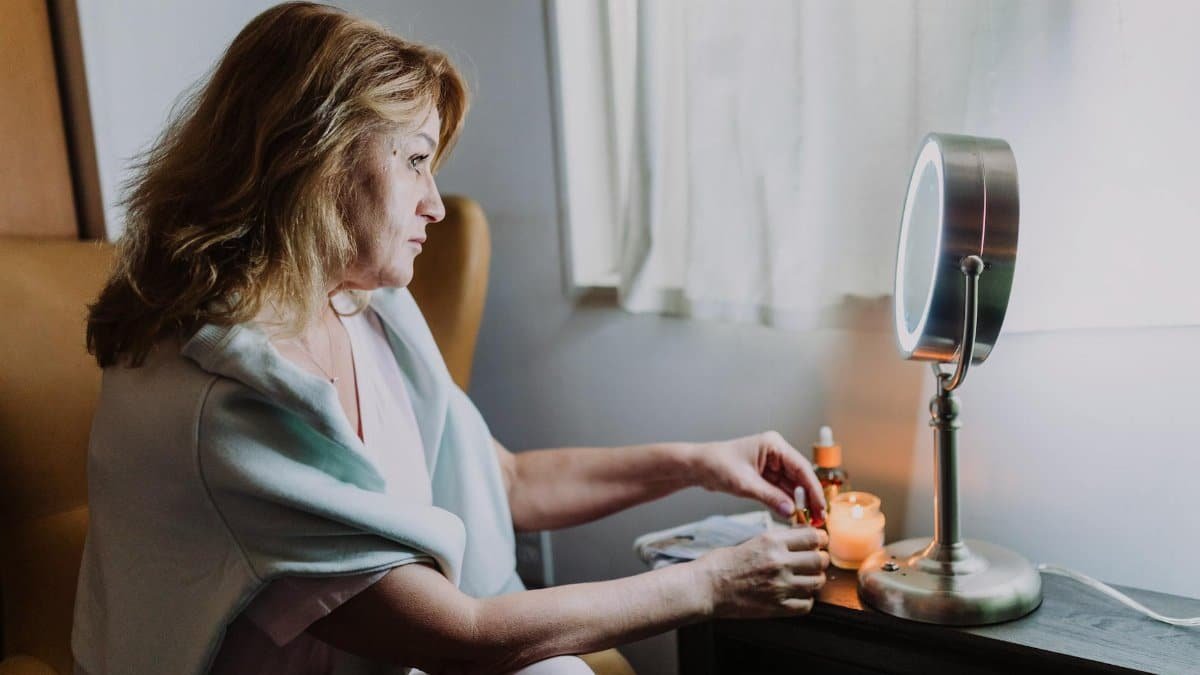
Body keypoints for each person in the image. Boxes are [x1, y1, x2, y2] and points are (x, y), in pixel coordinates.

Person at [71, 3, 829, 674]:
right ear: (318, 162)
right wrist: (707, 583)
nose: (435, 203)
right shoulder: (224, 401)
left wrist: (703, 463)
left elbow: (503, 483)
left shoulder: (363, 306)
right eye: (414, 161)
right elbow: (460, 638)